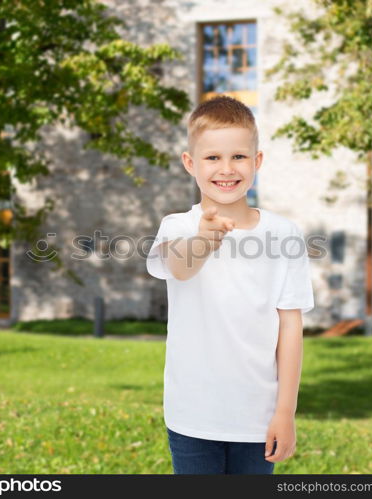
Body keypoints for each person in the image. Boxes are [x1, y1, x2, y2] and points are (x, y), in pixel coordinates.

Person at [146, 95, 315, 475]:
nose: (226, 168)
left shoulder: (284, 234)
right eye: (212, 158)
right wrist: (205, 239)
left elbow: (290, 327)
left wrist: (285, 411)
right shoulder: (178, 227)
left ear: (257, 161)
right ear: (191, 163)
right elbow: (180, 267)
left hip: (258, 417)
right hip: (192, 414)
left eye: (238, 156)